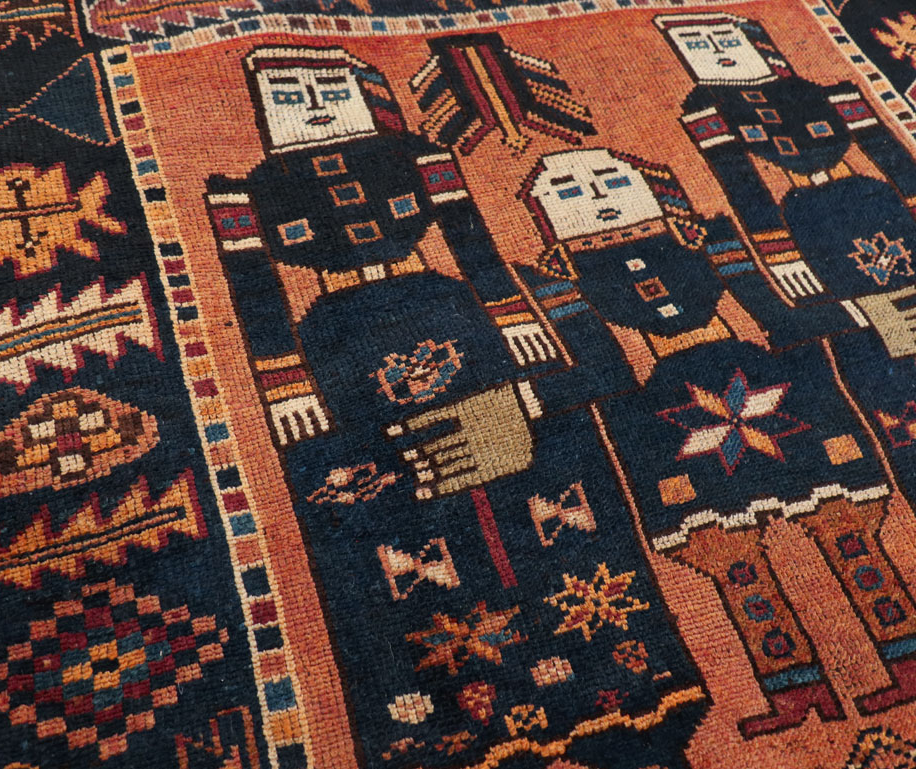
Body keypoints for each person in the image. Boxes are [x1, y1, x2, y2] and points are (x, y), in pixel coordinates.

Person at [204, 46, 707, 769]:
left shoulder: (422, 164)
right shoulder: (250, 194)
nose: (312, 104)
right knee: (392, 559)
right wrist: (286, 383)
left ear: (363, 93)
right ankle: (445, 728)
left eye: (328, 86)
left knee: (569, 536)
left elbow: (479, 247)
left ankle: (635, 707)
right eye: (288, 92)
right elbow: (256, 294)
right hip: (339, 354)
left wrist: (516, 357)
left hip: (468, 329)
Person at [518, 146, 916, 737]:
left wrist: (865, 317)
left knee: (843, 521)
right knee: (725, 553)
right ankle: (794, 687)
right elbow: (597, 366)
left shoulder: (712, 239)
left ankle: (904, 658)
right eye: (569, 193)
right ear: (546, 217)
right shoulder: (558, 281)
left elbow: (782, 312)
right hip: (665, 412)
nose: (598, 199)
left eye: (611, 180)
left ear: (652, 186)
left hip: (771, 382)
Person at [656, 11, 916, 716]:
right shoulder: (708, 108)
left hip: (881, 220)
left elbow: (892, 158)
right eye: (695, 44)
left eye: (723, 37)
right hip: (817, 248)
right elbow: (741, 185)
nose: (713, 51)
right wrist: (780, 260)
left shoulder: (833, 92)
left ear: (758, 41)